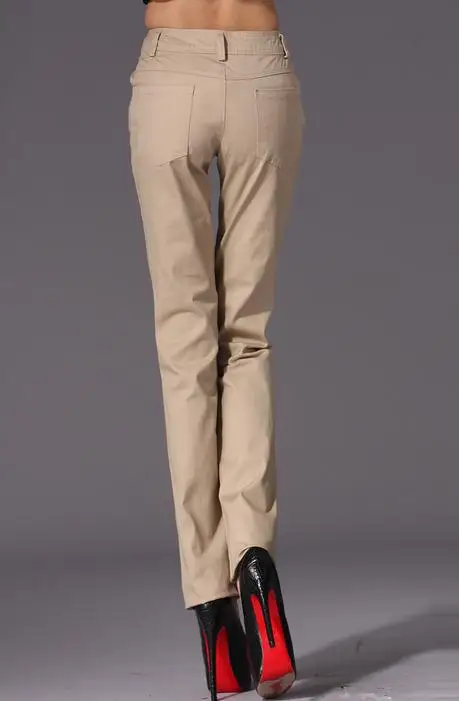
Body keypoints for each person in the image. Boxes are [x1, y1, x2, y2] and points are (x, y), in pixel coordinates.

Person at [128, 0, 305, 697]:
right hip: (261, 71)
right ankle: (253, 557)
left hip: (170, 72)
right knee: (247, 338)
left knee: (186, 351)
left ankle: (213, 611)